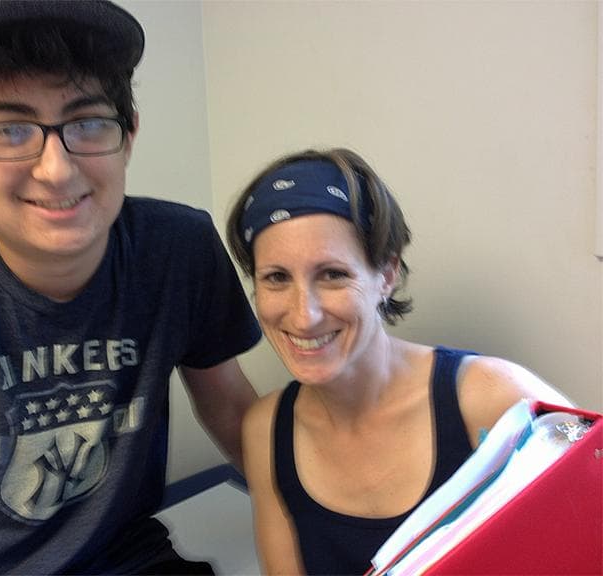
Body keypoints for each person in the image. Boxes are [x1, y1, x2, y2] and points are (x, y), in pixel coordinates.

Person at [0, 1, 261, 574]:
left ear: (128, 135)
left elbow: (236, 413)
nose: (57, 169)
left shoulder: (176, 249)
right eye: (10, 130)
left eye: (87, 123)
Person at [225, 147, 572, 575]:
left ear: (386, 276)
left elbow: (585, 490)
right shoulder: (266, 429)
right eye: (276, 278)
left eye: (333, 274)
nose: (304, 315)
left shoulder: (492, 397)